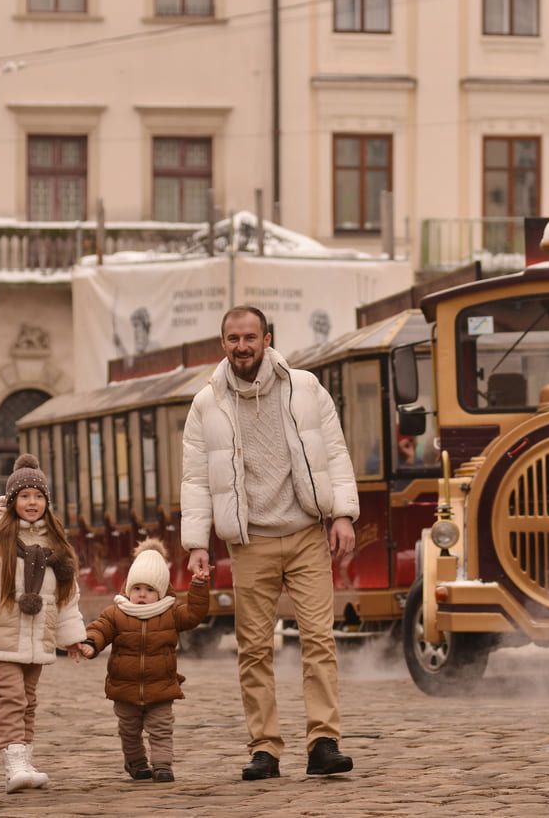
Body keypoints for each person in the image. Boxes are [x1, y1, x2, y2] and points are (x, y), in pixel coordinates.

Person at [181, 305, 359, 781]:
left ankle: (323, 741)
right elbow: (196, 478)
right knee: (253, 648)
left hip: (304, 533)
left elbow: (335, 452)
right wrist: (197, 542)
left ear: (267, 338)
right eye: (233, 338)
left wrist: (342, 513)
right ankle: (265, 747)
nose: (242, 346)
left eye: (250, 337)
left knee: (319, 640)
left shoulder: (305, 388)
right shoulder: (206, 404)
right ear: (223, 343)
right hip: (250, 539)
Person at [0, 454, 83, 794]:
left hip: (37, 637)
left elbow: (67, 597)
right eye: (25, 496)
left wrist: (72, 637)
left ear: (46, 502)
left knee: (29, 698)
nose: (32, 502)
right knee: (12, 697)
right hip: (3, 635)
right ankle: (13, 760)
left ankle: (25, 758)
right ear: (12, 501)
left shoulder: (57, 545)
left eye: (38, 496)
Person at [76, 538, 210, 783]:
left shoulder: (170, 612)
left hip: (160, 687)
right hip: (124, 687)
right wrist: (90, 643)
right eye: (137, 589)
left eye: (149, 591)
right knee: (129, 731)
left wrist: (199, 587)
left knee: (161, 729)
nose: (141, 595)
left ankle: (162, 765)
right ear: (128, 588)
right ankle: (136, 763)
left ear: (160, 592)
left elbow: (194, 614)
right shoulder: (117, 612)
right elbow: (100, 629)